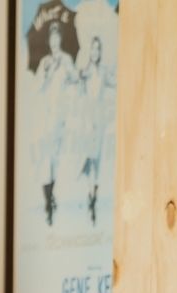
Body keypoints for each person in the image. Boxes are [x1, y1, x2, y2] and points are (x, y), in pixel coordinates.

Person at [34, 21, 78, 226]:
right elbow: (39, 88)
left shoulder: (67, 59)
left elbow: (75, 80)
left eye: (57, 37)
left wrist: (68, 69)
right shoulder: (44, 62)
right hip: (45, 116)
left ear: (60, 39)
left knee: (57, 160)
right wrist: (49, 71)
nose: (54, 41)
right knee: (47, 160)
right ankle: (48, 202)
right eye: (51, 38)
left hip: (61, 117)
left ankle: (52, 197)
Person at [78, 35, 116, 226]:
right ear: (89, 51)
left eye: (98, 49)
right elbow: (80, 95)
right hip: (88, 120)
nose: (95, 52)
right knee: (90, 159)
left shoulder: (103, 72)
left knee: (97, 162)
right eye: (93, 49)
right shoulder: (84, 72)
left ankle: (93, 198)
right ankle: (90, 197)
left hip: (99, 121)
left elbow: (115, 83)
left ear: (100, 52)